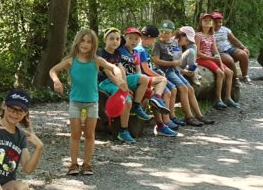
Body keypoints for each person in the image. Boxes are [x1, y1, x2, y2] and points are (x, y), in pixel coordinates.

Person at [49, 29, 126, 176]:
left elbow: (113, 67)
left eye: (89, 42)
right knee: (75, 134)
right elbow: (53, 70)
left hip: (92, 102)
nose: (85, 44)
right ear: (77, 42)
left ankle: (87, 164)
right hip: (75, 103)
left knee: (90, 134)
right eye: (83, 41)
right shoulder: (71, 60)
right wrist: (56, 81)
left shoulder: (96, 60)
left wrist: (119, 79)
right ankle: (73, 164)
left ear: (94, 44)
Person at [151, 21, 211, 127]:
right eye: (162, 31)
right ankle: (189, 116)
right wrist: (172, 63)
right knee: (183, 88)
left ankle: (199, 115)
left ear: (172, 33)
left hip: (175, 70)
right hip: (166, 71)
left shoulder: (174, 43)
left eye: (167, 32)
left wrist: (183, 71)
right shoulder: (158, 44)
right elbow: (155, 60)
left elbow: (177, 59)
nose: (164, 34)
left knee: (190, 89)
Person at [97, 28, 149, 144]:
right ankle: (123, 131)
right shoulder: (101, 53)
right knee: (127, 101)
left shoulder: (117, 53)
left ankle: (137, 106)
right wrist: (122, 86)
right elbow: (108, 73)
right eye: (111, 39)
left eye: (117, 39)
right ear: (105, 40)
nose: (115, 41)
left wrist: (125, 84)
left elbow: (121, 69)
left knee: (144, 79)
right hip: (105, 82)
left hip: (119, 80)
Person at [125, 28, 177, 137]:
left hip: (140, 81)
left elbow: (139, 70)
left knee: (155, 97)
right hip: (133, 81)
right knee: (162, 89)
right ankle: (164, 121)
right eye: (130, 38)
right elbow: (144, 70)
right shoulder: (131, 51)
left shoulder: (136, 52)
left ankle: (161, 125)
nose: (133, 41)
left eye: (136, 39)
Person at [196, 13, 239, 110]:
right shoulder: (198, 35)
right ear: (201, 23)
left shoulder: (212, 36)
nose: (207, 22)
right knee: (220, 73)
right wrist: (212, 59)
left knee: (229, 72)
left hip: (211, 58)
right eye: (205, 21)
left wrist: (219, 62)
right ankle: (217, 99)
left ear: (212, 23)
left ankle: (227, 97)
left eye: (209, 21)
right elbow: (197, 53)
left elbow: (215, 51)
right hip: (201, 59)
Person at [212, 11, 251, 83]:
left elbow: (233, 39)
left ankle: (245, 76)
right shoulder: (208, 31)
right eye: (216, 22)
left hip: (229, 48)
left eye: (220, 22)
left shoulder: (225, 29)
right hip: (220, 52)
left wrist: (243, 47)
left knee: (243, 54)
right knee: (230, 60)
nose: (218, 24)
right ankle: (235, 78)